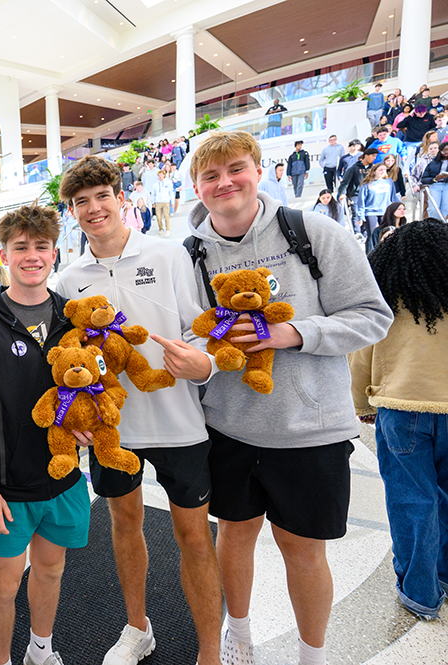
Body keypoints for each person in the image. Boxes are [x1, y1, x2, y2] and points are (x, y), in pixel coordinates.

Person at [186, 131, 392, 665]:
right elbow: (189, 330)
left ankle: (311, 655)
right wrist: (203, 356)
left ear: (259, 171)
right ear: (196, 187)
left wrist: (293, 333)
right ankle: (239, 635)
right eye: (210, 175)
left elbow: (373, 316)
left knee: (302, 549)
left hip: (310, 428)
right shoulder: (191, 254)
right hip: (228, 427)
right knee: (233, 535)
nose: (225, 182)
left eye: (236, 168)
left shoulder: (312, 232)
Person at [56, 155, 222, 665]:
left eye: (102, 196)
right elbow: (66, 361)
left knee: (194, 536)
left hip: (179, 423)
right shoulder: (68, 279)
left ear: (121, 197)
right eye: (81, 202)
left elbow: (200, 327)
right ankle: (137, 628)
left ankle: (211, 650)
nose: (93, 208)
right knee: (124, 525)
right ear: (72, 212)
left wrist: (205, 364)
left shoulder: (168, 255)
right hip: (114, 431)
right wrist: (72, 417)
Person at [0, 204, 88, 665]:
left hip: (62, 478)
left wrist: (90, 421)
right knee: (5, 584)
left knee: (50, 570)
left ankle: (40, 650)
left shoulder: (73, 320)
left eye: (41, 246)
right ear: (4, 255)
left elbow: (90, 385)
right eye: (21, 247)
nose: (32, 256)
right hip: (6, 490)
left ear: (54, 253)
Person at [350, 219, 448, 622]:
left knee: (412, 501)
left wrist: (361, 403)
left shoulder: (386, 298)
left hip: (402, 410)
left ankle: (421, 593)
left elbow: (360, 355)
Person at [337, 147, 380, 230]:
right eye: (373, 156)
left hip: (370, 195)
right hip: (356, 195)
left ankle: (365, 233)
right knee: (356, 214)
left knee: (367, 215)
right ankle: (357, 233)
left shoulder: (374, 169)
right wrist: (342, 193)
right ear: (366, 156)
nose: (374, 158)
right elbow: (345, 182)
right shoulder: (354, 168)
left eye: (375, 156)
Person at [359, 163, 401, 246]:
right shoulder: (367, 184)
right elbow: (361, 201)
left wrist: (399, 208)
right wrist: (360, 215)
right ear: (374, 171)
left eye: (384, 170)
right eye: (380, 170)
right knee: (372, 235)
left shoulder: (389, 182)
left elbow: (393, 197)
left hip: (385, 211)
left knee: (388, 233)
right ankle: (370, 252)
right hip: (371, 212)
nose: (383, 172)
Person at [420, 141, 448, 220]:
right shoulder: (433, 163)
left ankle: (442, 224)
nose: (446, 152)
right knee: (433, 208)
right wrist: (435, 179)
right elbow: (424, 179)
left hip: (447, 185)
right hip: (435, 185)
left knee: (446, 207)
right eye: (444, 150)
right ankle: (434, 223)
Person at [152, 169, 175, 237]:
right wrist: (153, 202)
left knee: (166, 216)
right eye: (159, 175)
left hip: (166, 201)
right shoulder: (155, 185)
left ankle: (167, 229)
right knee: (158, 217)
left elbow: (171, 192)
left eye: (161, 175)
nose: (160, 176)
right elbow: (153, 194)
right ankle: (161, 229)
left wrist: (172, 201)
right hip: (158, 202)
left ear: (164, 175)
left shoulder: (168, 183)